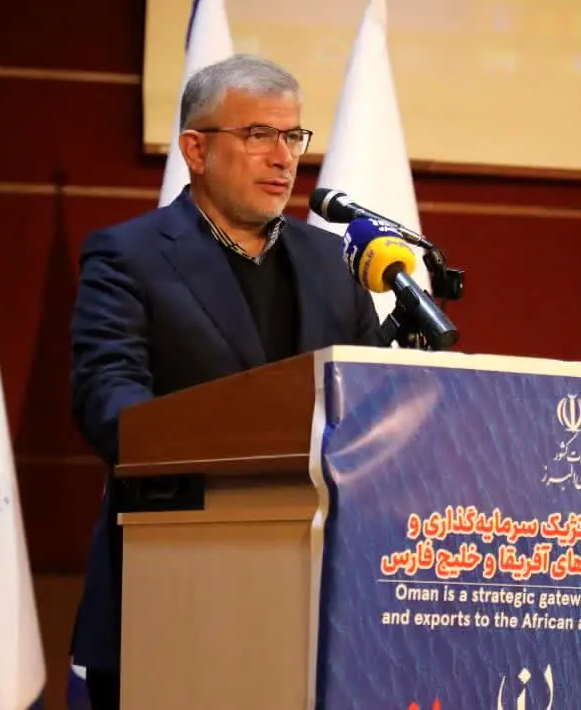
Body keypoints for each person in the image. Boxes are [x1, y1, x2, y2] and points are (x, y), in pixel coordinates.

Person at [67, 54, 382, 709]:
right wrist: (228, 448)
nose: (284, 158)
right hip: (172, 588)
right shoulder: (129, 256)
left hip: (319, 608)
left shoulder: (334, 264)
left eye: (293, 136)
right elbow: (107, 397)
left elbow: (375, 405)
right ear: (195, 149)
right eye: (259, 134)